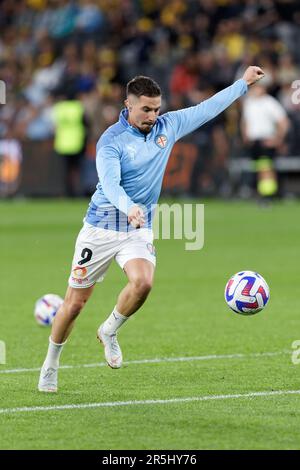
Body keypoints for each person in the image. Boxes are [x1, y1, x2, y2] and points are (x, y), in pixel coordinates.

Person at [38, 66, 264, 392]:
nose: (153, 115)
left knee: (143, 283)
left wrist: (242, 84)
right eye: (146, 109)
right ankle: (51, 363)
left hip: (137, 227)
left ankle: (110, 330)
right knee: (73, 305)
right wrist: (128, 206)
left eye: (157, 108)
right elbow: (110, 183)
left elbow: (205, 110)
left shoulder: (166, 127)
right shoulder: (111, 141)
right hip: (101, 227)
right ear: (128, 105)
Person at [241, 79, 289, 198]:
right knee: (258, 169)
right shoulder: (249, 103)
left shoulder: (270, 103)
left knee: (266, 168)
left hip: (266, 141)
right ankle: (261, 194)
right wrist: (245, 135)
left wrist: (277, 139)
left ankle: (268, 196)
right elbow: (245, 121)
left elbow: (284, 122)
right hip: (254, 142)